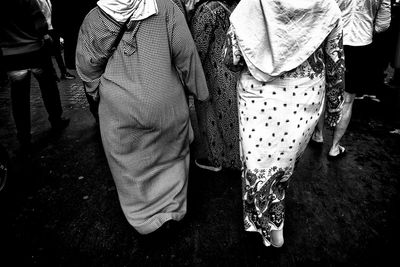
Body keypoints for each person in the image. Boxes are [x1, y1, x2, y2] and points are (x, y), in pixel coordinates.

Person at [76, 0, 209, 235]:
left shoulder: (94, 19)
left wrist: (102, 95)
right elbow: (186, 54)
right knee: (172, 157)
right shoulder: (166, 8)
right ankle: (172, 210)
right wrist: (200, 91)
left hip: (119, 111)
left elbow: (87, 69)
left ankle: (142, 218)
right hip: (167, 105)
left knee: (129, 166)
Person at [223, 0, 345, 247]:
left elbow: (230, 57)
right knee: (281, 165)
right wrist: (334, 108)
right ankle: (270, 221)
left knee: (257, 161)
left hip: (258, 96)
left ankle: (263, 221)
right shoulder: (327, 7)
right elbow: (335, 63)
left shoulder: (250, 5)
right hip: (303, 99)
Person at [312, 0, 391, 158]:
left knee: (326, 91)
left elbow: (320, 9)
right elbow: (383, 24)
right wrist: (366, 26)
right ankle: (334, 147)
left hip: (334, 40)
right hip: (361, 45)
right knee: (348, 99)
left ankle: (318, 135)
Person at [0, 0, 70, 150]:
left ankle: (24, 135)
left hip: (11, 56)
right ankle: (56, 119)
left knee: (19, 98)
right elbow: (41, 24)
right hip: (34, 51)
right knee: (48, 87)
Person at [190, 0, 241, 172]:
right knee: (232, 117)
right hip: (233, 68)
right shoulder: (238, 4)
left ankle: (216, 159)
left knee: (209, 115)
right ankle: (237, 158)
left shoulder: (208, 10)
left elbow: (197, 49)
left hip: (212, 72)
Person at [35, 0, 76, 81]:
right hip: (46, 29)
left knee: (57, 52)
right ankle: (53, 74)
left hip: (53, 28)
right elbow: (38, 16)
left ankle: (63, 73)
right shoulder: (38, 1)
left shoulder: (48, 0)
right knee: (47, 53)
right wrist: (43, 32)